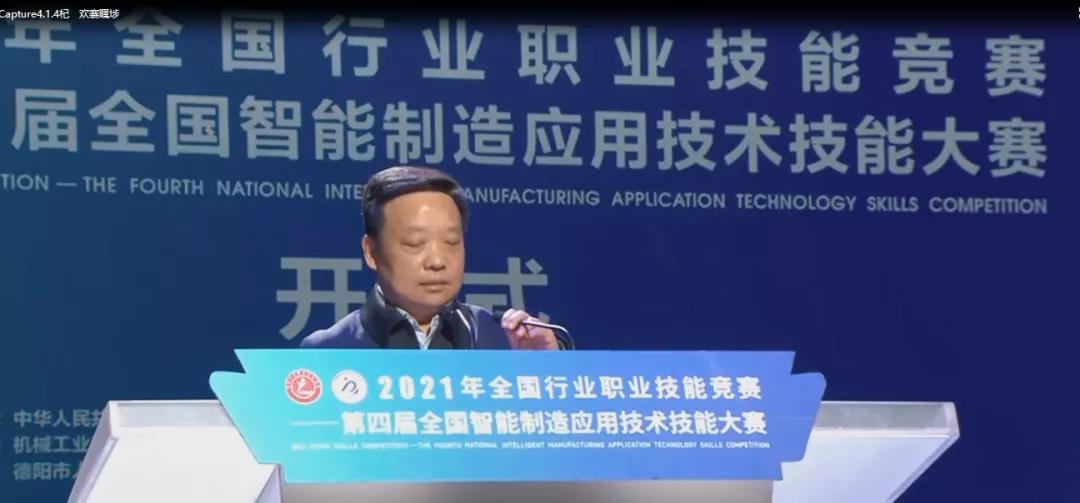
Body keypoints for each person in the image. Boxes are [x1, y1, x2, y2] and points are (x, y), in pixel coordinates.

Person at [300, 165, 566, 350]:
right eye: (415, 243)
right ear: (371, 252)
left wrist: (548, 369)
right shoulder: (329, 350)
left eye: (451, 242)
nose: (437, 261)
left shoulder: (504, 340)